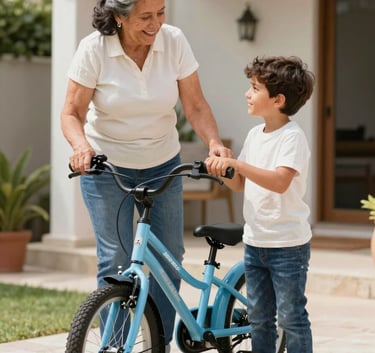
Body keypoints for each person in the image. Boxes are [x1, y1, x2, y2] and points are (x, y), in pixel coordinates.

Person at [60, 0, 232, 347]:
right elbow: (71, 112)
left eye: (161, 13)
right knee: (117, 260)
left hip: (162, 161)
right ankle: (117, 344)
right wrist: (81, 147)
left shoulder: (174, 41)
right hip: (106, 166)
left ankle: (160, 342)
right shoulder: (94, 49)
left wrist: (214, 143)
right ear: (119, 18)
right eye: (145, 17)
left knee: (170, 257)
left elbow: (195, 105)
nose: (156, 24)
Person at [205, 56, 315, 353]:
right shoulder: (255, 135)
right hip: (255, 241)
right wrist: (224, 169)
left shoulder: (292, 138)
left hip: (288, 246)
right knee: (259, 319)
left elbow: (280, 182)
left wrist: (238, 164)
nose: (247, 93)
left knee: (291, 317)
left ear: (278, 100)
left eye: (254, 88)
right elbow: (240, 184)